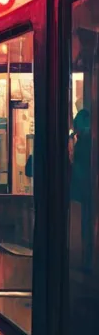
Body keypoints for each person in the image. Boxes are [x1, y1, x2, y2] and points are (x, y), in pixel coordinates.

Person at [70, 109, 93, 271]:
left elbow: (78, 165)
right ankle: (86, 259)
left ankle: (86, 259)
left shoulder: (84, 140)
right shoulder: (87, 137)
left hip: (83, 187)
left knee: (86, 222)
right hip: (85, 187)